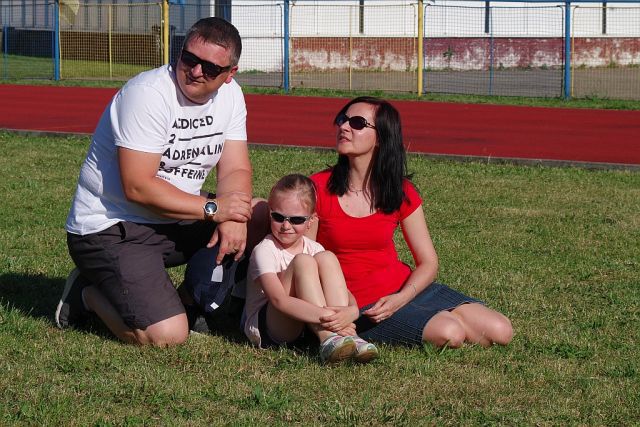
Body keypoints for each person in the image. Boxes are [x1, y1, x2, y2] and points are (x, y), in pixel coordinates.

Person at [56, 17, 267, 347]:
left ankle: (190, 300)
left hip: (175, 218)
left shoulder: (231, 95)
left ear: (230, 74)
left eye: (210, 68)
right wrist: (216, 209)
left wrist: (235, 216)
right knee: (167, 335)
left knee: (260, 215)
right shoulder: (148, 94)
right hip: (112, 227)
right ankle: (87, 294)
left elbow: (235, 169)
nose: (195, 71)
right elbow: (138, 187)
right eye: (189, 58)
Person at [308, 96, 514, 348]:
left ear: (381, 138)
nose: (344, 126)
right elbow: (303, 260)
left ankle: (431, 314)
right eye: (342, 119)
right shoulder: (317, 188)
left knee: (501, 330)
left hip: (404, 290)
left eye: (357, 123)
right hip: (364, 307)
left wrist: (402, 297)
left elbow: (428, 262)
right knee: (450, 332)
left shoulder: (399, 190)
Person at [243, 174, 379, 363]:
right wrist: (330, 317)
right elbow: (279, 300)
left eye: (297, 220)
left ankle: (347, 338)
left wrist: (352, 311)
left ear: (311, 221)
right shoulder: (265, 250)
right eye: (278, 217)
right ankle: (329, 337)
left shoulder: (314, 248)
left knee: (327, 257)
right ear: (270, 213)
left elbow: (345, 292)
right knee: (303, 262)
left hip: (306, 324)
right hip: (269, 328)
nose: (286, 226)